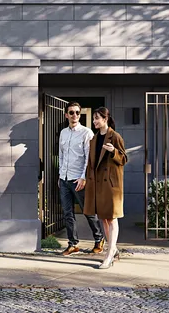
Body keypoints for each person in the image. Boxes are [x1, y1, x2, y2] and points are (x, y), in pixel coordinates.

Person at [84, 106, 128, 269]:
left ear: (105, 119)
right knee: (103, 217)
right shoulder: (94, 139)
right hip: (97, 184)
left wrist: (113, 151)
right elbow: (91, 163)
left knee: (112, 217)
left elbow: (124, 159)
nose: (94, 121)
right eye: (94, 118)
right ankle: (112, 248)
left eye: (97, 118)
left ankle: (109, 254)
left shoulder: (115, 136)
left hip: (110, 185)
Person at [58, 102, 104, 256]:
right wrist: (60, 175)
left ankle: (99, 239)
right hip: (64, 179)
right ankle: (73, 244)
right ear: (66, 115)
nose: (75, 115)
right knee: (67, 213)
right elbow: (62, 155)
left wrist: (83, 177)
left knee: (88, 211)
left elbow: (88, 159)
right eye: (71, 112)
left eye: (77, 112)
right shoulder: (63, 133)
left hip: (78, 179)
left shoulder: (86, 133)